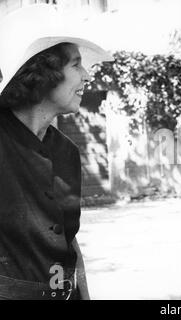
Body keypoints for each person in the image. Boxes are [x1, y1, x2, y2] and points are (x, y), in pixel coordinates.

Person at [0, 4, 112, 300]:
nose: (87, 75)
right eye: (76, 64)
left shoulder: (67, 152)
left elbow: (67, 242)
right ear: (44, 73)